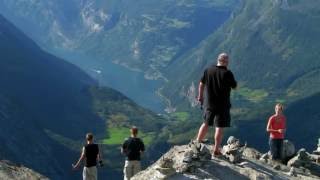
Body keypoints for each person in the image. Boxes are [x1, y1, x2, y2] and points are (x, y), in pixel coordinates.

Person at [195, 52, 237, 156]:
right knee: (219, 127)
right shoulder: (228, 73)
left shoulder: (208, 70)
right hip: (223, 104)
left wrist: (200, 96)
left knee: (205, 123)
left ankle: (197, 143)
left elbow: (201, 84)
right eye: (227, 61)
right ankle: (216, 150)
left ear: (218, 60)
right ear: (226, 62)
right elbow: (234, 86)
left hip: (209, 103)